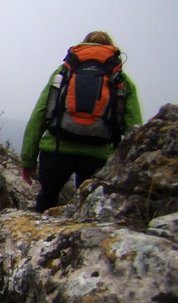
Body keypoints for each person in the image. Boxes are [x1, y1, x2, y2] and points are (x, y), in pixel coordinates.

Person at [20, 31, 143, 212]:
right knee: (88, 209)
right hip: (98, 154)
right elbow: (135, 128)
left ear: (83, 45)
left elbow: (39, 115)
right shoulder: (121, 81)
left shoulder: (63, 73)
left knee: (46, 199)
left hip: (56, 149)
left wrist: (28, 160)